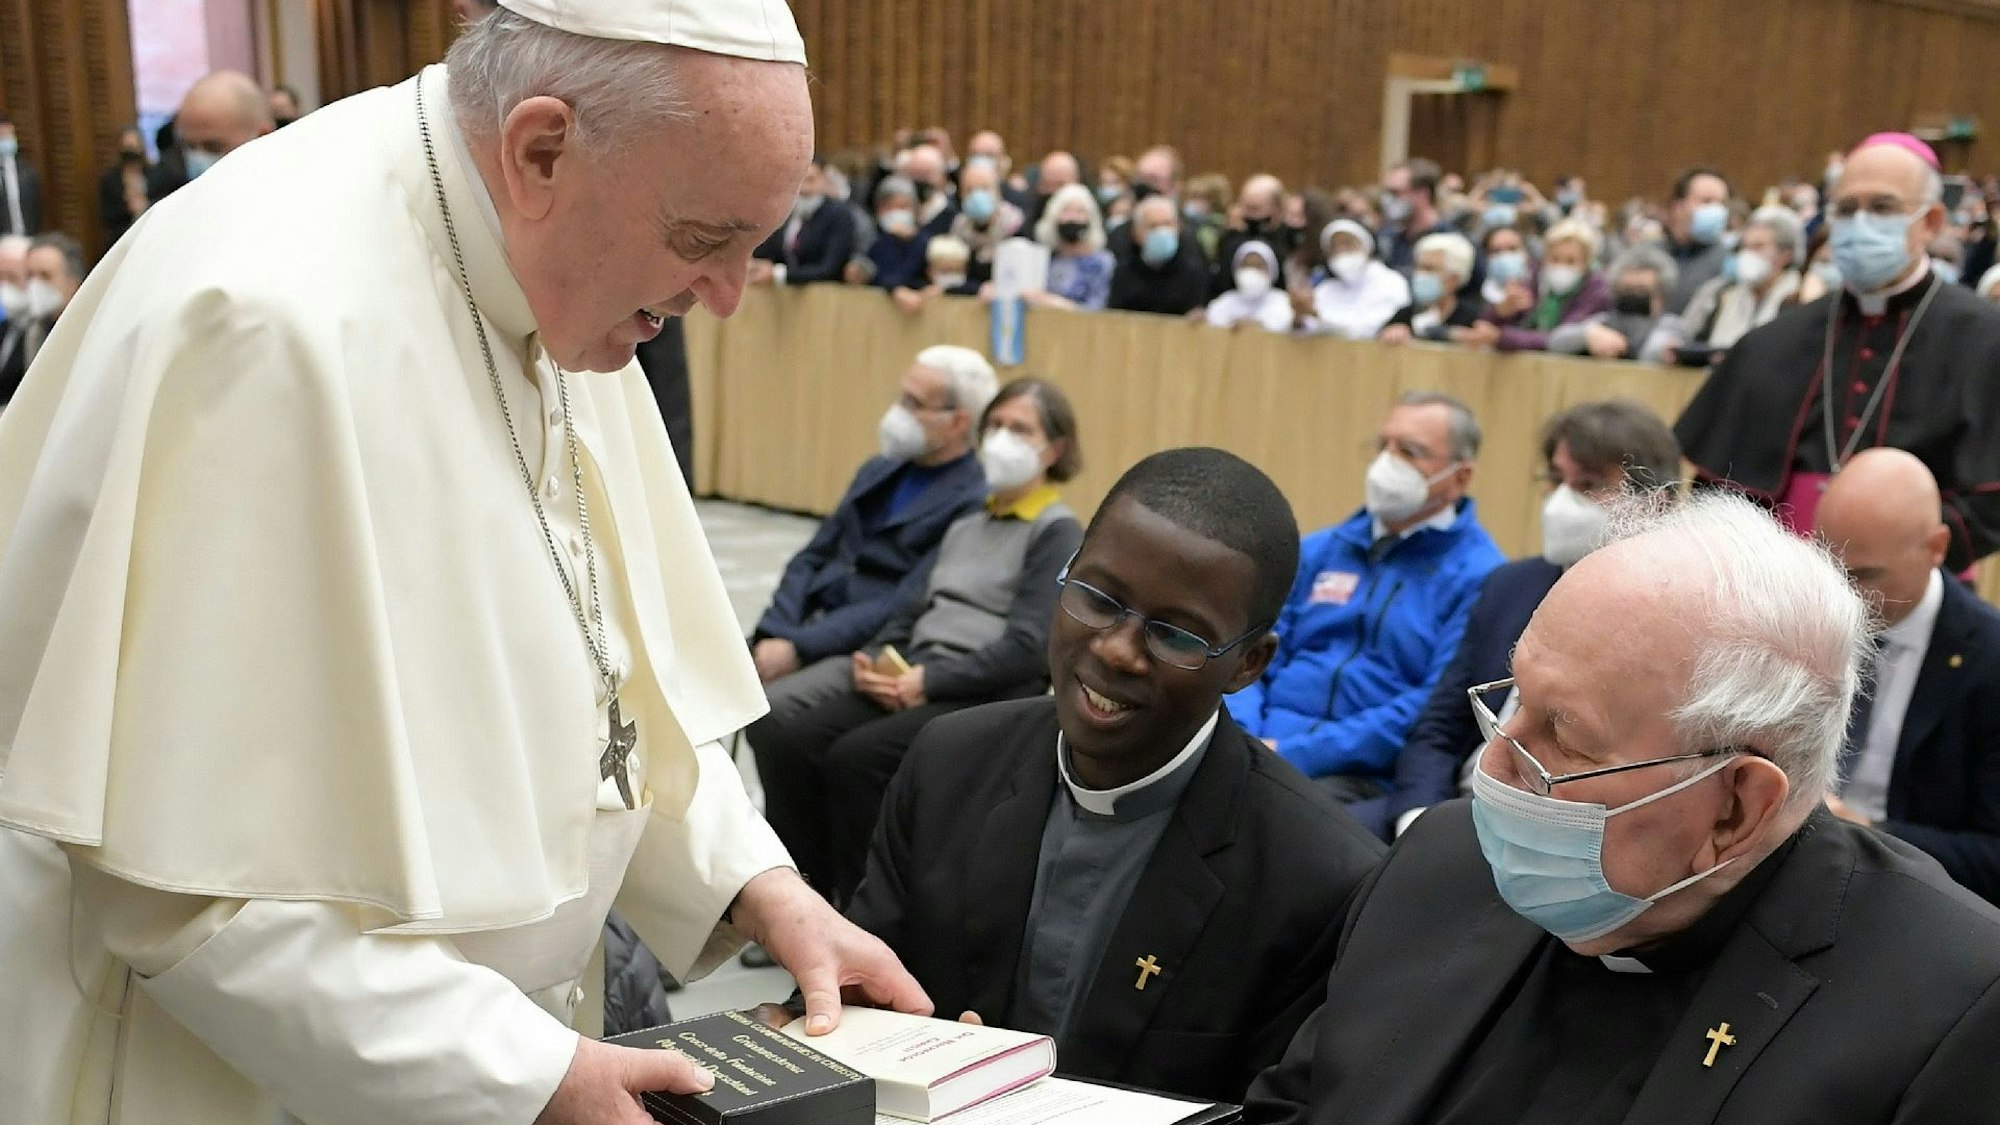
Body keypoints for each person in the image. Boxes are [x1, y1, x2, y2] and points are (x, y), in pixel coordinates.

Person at [0, 4, 933, 1122]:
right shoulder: (262, 327)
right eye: (702, 241)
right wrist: (523, 1074)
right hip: (240, 1080)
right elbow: (190, 897)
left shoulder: (549, 263)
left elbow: (611, 673)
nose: (726, 298)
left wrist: (755, 885)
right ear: (540, 149)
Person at [1241, 492, 2000, 1125]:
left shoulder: (1944, 1015)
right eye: (1514, 699)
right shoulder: (1440, 864)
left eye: (1563, 737)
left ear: (1736, 807)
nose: (1495, 765)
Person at [837, 449, 1386, 1100]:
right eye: (1098, 598)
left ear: (1248, 664)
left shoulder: (1321, 879)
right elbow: (850, 1009)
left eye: (1177, 636)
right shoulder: (948, 763)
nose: (1115, 649)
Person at [749, 378, 1085, 906]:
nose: (1000, 438)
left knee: (854, 759)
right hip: (914, 673)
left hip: (980, 690)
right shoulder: (969, 523)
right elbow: (910, 606)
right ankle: (805, 893)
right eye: (994, 425)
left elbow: (1026, 645)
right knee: (791, 737)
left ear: (1055, 449)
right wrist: (876, 659)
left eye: (1019, 429)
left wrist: (929, 681)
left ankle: (870, 913)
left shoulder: (1055, 531)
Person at [1347, 400, 1683, 841]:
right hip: (1451, 808)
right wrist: (1417, 816)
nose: (1563, 501)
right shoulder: (1510, 585)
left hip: (1547, 831)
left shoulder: (1670, 618)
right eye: (1557, 480)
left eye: (1588, 485)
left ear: (1653, 503)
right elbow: (1439, 727)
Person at [1674, 132, 2000, 570]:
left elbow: (1990, 505)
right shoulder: (1772, 342)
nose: (1860, 222)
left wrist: (1897, 558)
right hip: (1774, 589)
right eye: (1847, 209)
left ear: (1931, 221)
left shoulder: (1984, 339)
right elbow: (1717, 494)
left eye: (1882, 208)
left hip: (1913, 587)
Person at [1228, 393, 1505, 800]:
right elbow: (1250, 649)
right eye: (1383, 446)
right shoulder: (1320, 549)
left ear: (1460, 477)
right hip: (1256, 744)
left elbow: (1429, 706)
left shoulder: (1480, 575)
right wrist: (1240, 735)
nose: (1387, 462)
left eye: (1410, 452)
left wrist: (1292, 754)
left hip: (1358, 773)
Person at [1815, 449, 2000, 905]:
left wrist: (1869, 836)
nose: (1840, 595)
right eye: (1827, 567)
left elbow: (1993, 856)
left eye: (1863, 576)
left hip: (1911, 894)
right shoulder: (1808, 614)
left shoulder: (1990, 661)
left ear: (1937, 548)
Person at [752, 346, 994, 692]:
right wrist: (776, 629)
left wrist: (799, 647)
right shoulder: (880, 469)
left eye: (914, 404)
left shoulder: (973, 500)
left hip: (863, 643)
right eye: (901, 397)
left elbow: (903, 601)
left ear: (957, 422)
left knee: (774, 708)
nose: (898, 412)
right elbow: (812, 556)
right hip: (804, 621)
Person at [1674, 204, 1805, 363]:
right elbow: (1690, 337)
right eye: (1745, 247)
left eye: (1758, 247)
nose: (1748, 254)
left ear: (1786, 255)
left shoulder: (1800, 297)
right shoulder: (1721, 292)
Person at [1467, 220, 1613, 353]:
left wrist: (1503, 337)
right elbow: (1485, 328)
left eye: (1571, 261)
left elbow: (1559, 340)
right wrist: (1500, 312)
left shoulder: (1596, 292)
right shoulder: (1531, 280)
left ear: (1586, 264)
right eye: (1554, 259)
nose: (1561, 266)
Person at [147, 71, 274, 204]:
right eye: (189, 146)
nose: (197, 157)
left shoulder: (289, 203)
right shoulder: (174, 204)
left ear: (262, 137)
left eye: (213, 147)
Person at [1547, 244, 1685, 363]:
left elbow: (1653, 353)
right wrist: (1587, 336)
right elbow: (1556, 341)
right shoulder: (1607, 320)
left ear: (1661, 295)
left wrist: (1620, 346)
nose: (1634, 296)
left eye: (1642, 290)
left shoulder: (1669, 325)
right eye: (1627, 290)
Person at [0, 231, 83, 402]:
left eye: (45, 275)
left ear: (72, 283)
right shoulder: (33, 330)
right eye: (30, 276)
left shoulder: (88, 332)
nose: (36, 285)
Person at [1294, 219, 1410, 339]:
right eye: (1334, 248)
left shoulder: (1392, 283)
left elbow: (1367, 332)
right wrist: (1299, 315)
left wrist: (1317, 316)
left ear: (1366, 246)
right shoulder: (1325, 289)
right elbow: (1307, 331)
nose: (1341, 252)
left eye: (1347, 244)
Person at [749, 156, 856, 285]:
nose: (804, 189)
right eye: (799, 181)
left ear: (823, 181)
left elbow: (829, 268)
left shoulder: (839, 216)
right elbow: (767, 251)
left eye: (811, 180)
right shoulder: (784, 214)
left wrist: (778, 274)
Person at [1108, 195, 1210, 316]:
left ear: (1178, 227)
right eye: (1153, 226)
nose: (1162, 232)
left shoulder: (1193, 270)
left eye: (1167, 224)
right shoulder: (1123, 271)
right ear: (1136, 233)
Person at [1379, 231, 1482, 344]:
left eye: (1429, 269)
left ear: (1453, 280)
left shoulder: (1475, 318)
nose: (1419, 275)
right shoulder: (1405, 314)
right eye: (1418, 267)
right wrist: (1391, 334)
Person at [1028, 184, 1114, 311]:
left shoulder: (1102, 262)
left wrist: (1055, 303)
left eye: (1080, 212)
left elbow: (1097, 307)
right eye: (1066, 211)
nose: (1072, 218)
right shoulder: (1045, 260)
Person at [1659, 167, 1733, 313]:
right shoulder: (1647, 254)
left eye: (1721, 203)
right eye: (1706, 201)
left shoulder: (1728, 260)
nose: (1716, 210)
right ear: (1678, 206)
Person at [947, 155, 1024, 288]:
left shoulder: (1016, 225)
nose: (976, 195)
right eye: (969, 190)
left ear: (998, 191)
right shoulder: (958, 227)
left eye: (984, 188)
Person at [1212, 173, 1294, 297]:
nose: (1247, 214)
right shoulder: (1230, 239)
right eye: (1244, 206)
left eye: (1255, 209)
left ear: (1277, 209)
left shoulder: (1288, 241)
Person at [854, 175, 932, 292]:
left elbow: (909, 274)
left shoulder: (924, 240)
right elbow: (875, 273)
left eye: (903, 206)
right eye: (889, 207)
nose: (896, 212)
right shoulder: (871, 237)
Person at [1380, 158, 1452, 274]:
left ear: (1422, 193)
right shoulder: (1388, 238)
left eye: (1395, 193)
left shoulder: (1452, 240)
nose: (1389, 200)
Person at [1204, 241, 1294, 333]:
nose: (1251, 271)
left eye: (1258, 265)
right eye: (1246, 265)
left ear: (1271, 270)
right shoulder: (1225, 300)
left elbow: (1290, 325)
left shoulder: (1284, 301)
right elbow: (1212, 322)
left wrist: (1259, 326)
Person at [97, 126, 152, 245]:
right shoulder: (110, 180)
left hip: (152, 234)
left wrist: (145, 206)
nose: (131, 156)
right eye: (127, 150)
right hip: (122, 238)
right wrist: (128, 208)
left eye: (134, 149)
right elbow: (107, 216)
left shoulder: (157, 174)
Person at [0, 113, 43, 237]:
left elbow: (36, 209)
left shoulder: (27, 171)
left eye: (10, 135)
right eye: (2, 136)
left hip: (27, 239)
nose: (7, 140)